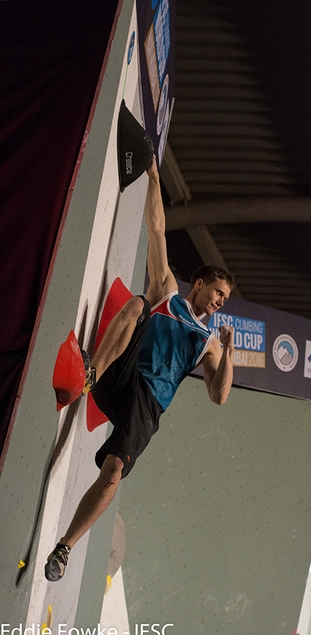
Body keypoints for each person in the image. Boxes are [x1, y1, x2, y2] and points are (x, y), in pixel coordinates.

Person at [45, 157, 234, 582]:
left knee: (113, 473)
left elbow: (219, 395)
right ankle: (90, 373)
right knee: (136, 304)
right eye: (218, 292)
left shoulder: (208, 343)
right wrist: (152, 177)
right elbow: (156, 229)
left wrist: (230, 354)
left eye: (226, 299)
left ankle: (63, 549)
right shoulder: (168, 291)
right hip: (119, 376)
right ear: (199, 284)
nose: (221, 301)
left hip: (148, 407)